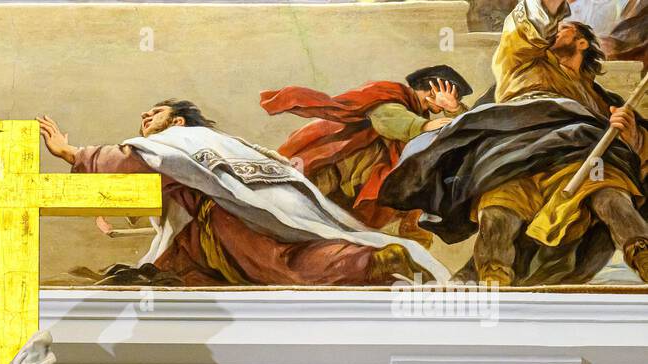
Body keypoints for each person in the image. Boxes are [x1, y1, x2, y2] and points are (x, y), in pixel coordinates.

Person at [38, 100, 447, 286]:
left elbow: (133, 162)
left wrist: (72, 153)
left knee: (279, 266)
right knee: (258, 264)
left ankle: (367, 263)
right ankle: (373, 260)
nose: (145, 117)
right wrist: (107, 202)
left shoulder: (185, 139)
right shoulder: (210, 145)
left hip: (224, 219)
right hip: (216, 232)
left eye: (155, 112)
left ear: (177, 120)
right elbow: (155, 185)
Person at [381, 0, 648, 285]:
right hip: (514, 154)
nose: (553, 29)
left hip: (579, 156)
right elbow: (527, 27)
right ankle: (493, 279)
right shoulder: (525, 62)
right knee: (499, 211)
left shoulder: (601, 101)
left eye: (563, 29)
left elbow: (641, 153)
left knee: (610, 197)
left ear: (581, 42)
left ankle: (642, 255)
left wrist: (632, 134)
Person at [261, 66, 471, 241]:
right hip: (338, 164)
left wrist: (453, 110)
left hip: (360, 180)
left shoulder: (422, 114)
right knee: (296, 202)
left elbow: (464, 133)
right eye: (453, 94)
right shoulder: (392, 95)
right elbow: (388, 119)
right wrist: (424, 126)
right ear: (434, 90)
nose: (453, 99)